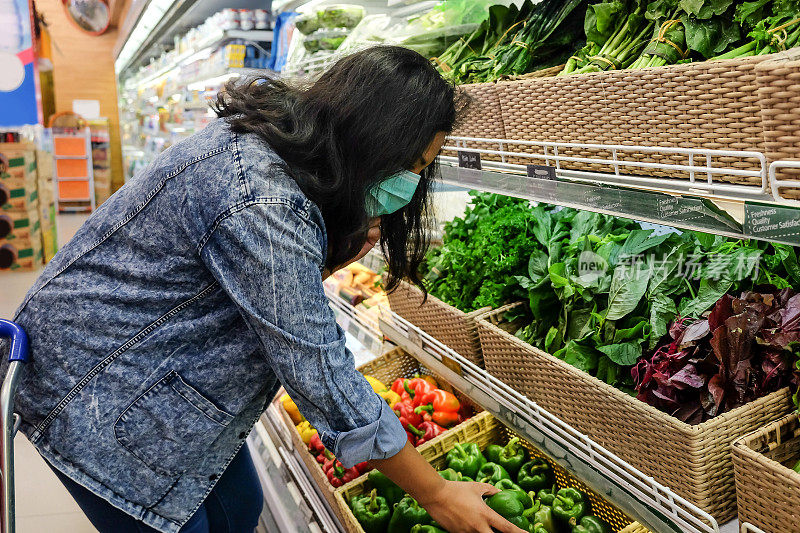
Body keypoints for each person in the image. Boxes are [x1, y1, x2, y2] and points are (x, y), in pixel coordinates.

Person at [5, 46, 524, 533]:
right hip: (97, 385)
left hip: (155, 362)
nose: (415, 179)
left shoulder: (279, 152)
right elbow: (319, 370)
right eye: (416, 164)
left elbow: (251, 292)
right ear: (377, 140)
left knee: (239, 511)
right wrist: (434, 493)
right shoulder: (263, 200)